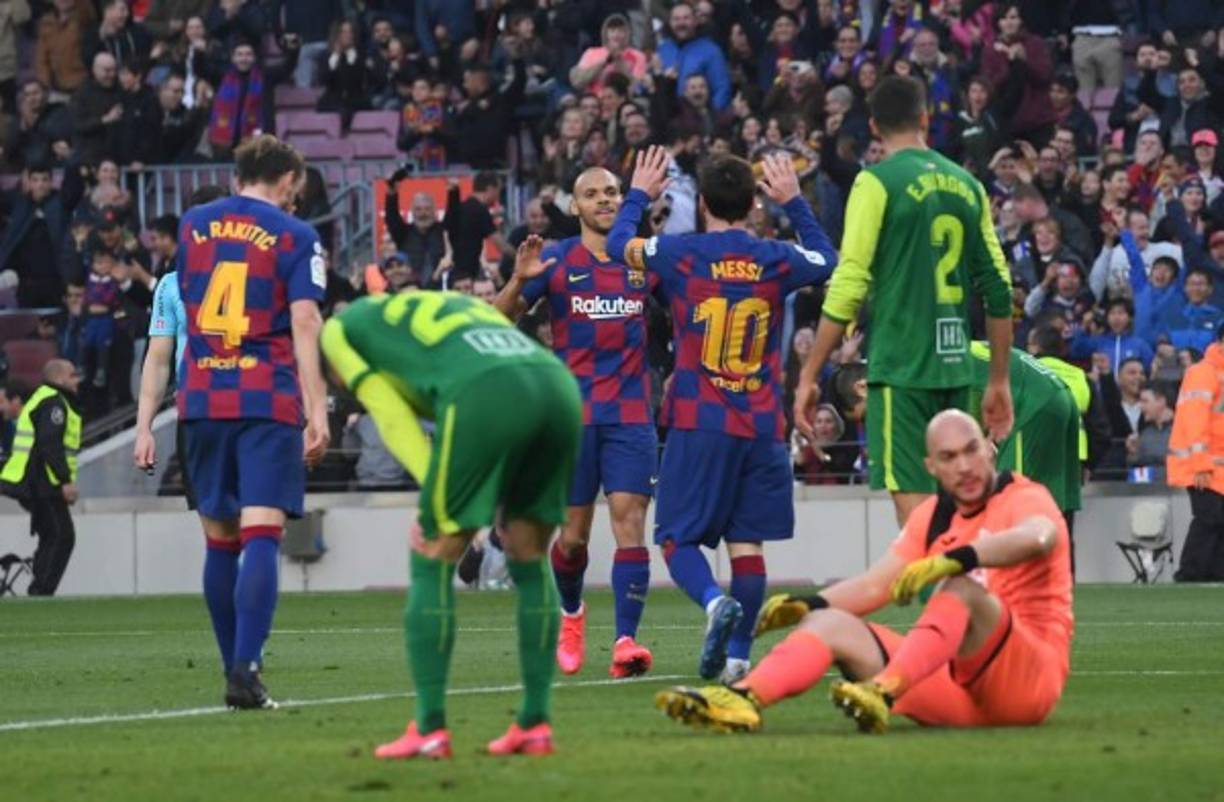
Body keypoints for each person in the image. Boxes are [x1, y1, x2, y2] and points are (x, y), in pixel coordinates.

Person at [655, 410, 1072, 736]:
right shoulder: (934, 515)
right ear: (931, 467)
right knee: (828, 623)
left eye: (970, 450)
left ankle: (883, 690)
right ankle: (742, 699)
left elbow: (1039, 537)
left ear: (989, 450)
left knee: (959, 588)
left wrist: (962, 557)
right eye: (949, 457)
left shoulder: (1023, 496)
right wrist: (808, 604)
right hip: (960, 693)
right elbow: (878, 584)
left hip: (1027, 685)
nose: (964, 466)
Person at [608, 148, 838, 682]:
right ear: (755, 201)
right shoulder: (777, 256)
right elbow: (828, 260)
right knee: (746, 544)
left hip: (700, 417)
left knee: (676, 539)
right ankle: (738, 660)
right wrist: (797, 203)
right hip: (761, 425)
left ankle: (714, 603)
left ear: (704, 201)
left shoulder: (680, 253)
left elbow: (620, 246)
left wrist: (640, 191)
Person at [320, 291, 582, 759]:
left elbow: (391, 414)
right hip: (557, 385)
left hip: (487, 389)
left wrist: (431, 495)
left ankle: (429, 728)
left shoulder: (337, 334)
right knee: (528, 556)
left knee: (431, 551)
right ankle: (535, 723)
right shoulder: (435, 307)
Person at [793, 75, 1014, 528]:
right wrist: (998, 380)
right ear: (925, 118)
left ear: (873, 126)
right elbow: (998, 288)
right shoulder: (968, 185)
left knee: (919, 524)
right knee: (961, 517)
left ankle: (951, 600)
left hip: (900, 371)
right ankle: (977, 597)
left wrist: (811, 374)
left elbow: (850, 281)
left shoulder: (876, 183)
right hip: (956, 369)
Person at [176, 135, 330, 709]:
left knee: (219, 540)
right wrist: (318, 408)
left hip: (200, 396)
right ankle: (246, 668)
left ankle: (232, 669)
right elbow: (306, 321)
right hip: (265, 397)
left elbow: (190, 300)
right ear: (288, 178)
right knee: (262, 531)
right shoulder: (296, 234)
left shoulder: (192, 224)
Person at [492, 167, 659, 680]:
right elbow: (494, 320)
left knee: (630, 522)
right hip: (575, 418)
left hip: (631, 416)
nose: (605, 200)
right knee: (572, 539)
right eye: (593, 194)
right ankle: (571, 613)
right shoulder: (559, 260)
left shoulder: (644, 259)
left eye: (611, 192)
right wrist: (519, 279)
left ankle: (626, 640)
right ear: (576, 208)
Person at [0, 359, 82, 596]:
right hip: (41, 481)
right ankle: (40, 592)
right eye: (72, 375)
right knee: (61, 536)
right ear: (59, 379)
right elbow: (50, 444)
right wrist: (65, 480)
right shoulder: (54, 403)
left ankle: (39, 591)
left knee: (51, 534)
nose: (77, 380)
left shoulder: (46, 399)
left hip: (33, 480)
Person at [1167, 323, 1224, 582]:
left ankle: (1210, 577)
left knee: (1215, 523)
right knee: (1209, 520)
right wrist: (1201, 465)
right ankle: (1189, 576)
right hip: (1202, 466)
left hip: (1215, 467)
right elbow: (1195, 420)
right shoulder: (1203, 372)